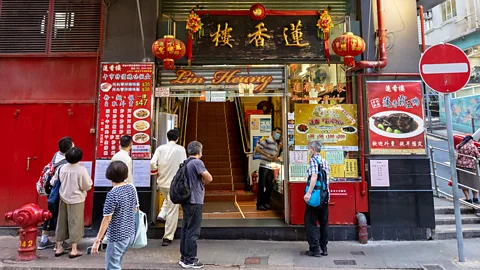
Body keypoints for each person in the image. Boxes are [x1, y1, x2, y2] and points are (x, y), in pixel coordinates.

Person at [91, 161, 139, 270]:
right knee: (117, 262)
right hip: (130, 233)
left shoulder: (112, 194)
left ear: (109, 175)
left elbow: (107, 218)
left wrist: (98, 240)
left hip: (117, 236)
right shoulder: (131, 188)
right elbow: (135, 209)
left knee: (112, 266)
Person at [52, 147, 93, 258]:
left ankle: (59, 247)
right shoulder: (81, 170)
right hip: (76, 199)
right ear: (80, 158)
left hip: (63, 197)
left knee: (61, 221)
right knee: (75, 222)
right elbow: (87, 186)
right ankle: (74, 249)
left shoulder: (61, 168)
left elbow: (52, 182)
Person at [150, 129, 187, 246]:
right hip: (175, 184)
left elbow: (152, 163)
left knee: (168, 200)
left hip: (162, 182)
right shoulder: (181, 149)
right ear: (177, 138)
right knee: (173, 209)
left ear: (167, 138)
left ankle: (162, 214)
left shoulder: (160, 149)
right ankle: (168, 236)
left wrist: (156, 173)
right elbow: (184, 166)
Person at [179, 141, 213, 269]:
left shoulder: (186, 162)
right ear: (199, 151)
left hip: (187, 200)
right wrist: (203, 182)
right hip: (195, 200)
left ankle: (184, 257)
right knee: (193, 231)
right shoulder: (197, 162)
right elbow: (209, 178)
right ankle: (190, 260)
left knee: (186, 229)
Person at [38, 136, 73, 250]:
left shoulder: (56, 156)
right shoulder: (66, 163)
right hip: (59, 191)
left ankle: (44, 239)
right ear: (69, 149)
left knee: (50, 213)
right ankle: (59, 242)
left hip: (51, 190)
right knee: (60, 215)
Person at [304, 140, 330, 257]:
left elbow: (314, 176)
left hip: (315, 197)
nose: (309, 151)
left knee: (310, 222)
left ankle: (315, 249)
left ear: (313, 150)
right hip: (325, 196)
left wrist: (308, 193)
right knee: (324, 223)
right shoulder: (325, 161)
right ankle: (324, 248)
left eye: (309, 149)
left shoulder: (314, 160)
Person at [254, 127, 282, 211]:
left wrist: (279, 147)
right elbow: (257, 149)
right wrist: (267, 155)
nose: (278, 134)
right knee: (261, 185)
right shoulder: (267, 140)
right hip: (263, 166)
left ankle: (265, 202)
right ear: (273, 132)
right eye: (277, 132)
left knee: (270, 186)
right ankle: (259, 204)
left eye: (279, 133)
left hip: (270, 166)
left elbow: (275, 156)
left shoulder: (276, 144)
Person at [455, 135, 480, 204]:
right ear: (470, 140)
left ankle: (468, 198)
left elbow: (457, 156)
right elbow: (478, 155)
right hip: (471, 166)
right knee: (474, 182)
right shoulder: (472, 146)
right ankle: (475, 198)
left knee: (464, 182)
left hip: (461, 166)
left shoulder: (459, 146)